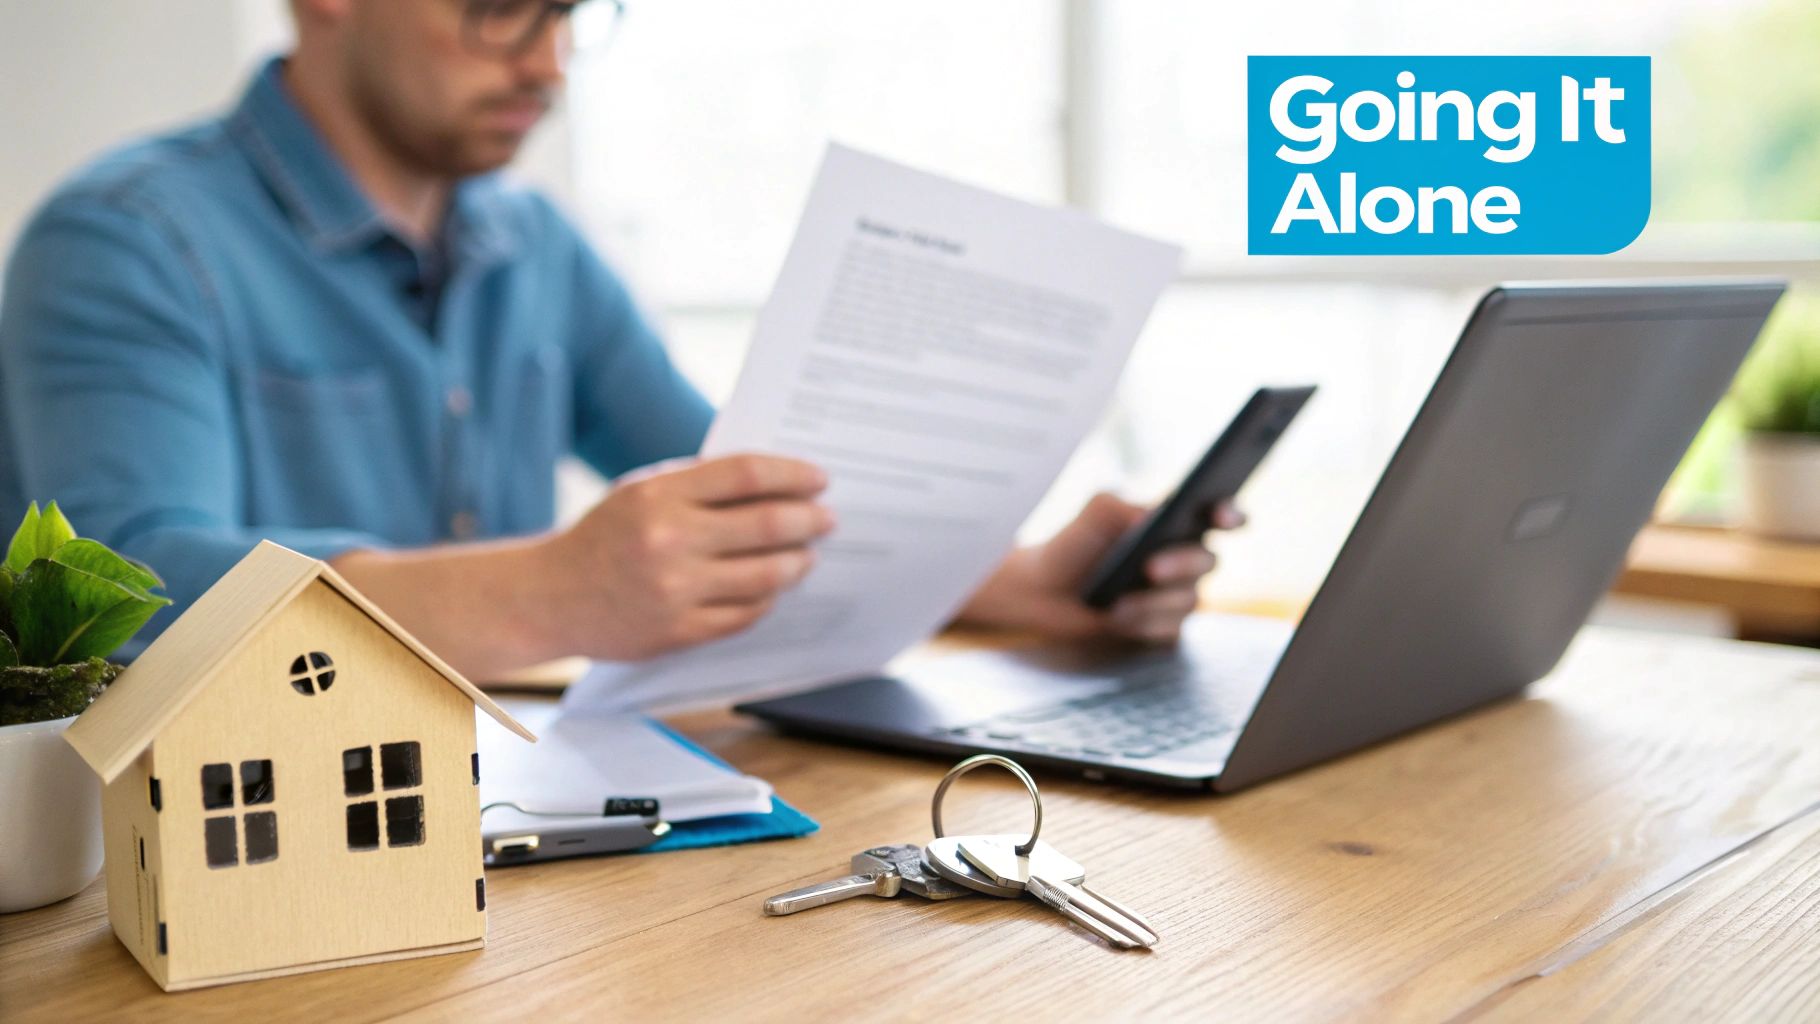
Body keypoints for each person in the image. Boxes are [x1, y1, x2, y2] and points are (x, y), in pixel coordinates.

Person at [0, 0, 1239, 681]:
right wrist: (552, 592)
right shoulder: (127, 238)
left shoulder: (534, 241)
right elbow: (125, 585)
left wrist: (1014, 578)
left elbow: (740, 493)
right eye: (498, 9)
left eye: (570, 13)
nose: (547, 63)